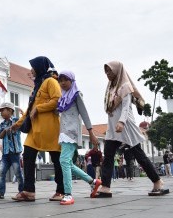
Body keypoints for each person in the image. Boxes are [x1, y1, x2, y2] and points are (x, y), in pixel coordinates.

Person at [95, 61, 169, 198]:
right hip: (113, 127)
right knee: (108, 155)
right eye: (106, 72)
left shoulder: (125, 87)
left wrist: (122, 122)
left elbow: (126, 107)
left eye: (110, 71)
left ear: (117, 71)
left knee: (139, 155)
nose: (107, 74)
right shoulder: (110, 88)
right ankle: (105, 187)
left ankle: (158, 182)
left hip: (126, 125)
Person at [11, 56, 63, 202]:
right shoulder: (38, 85)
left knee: (56, 160)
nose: (31, 70)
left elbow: (57, 100)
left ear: (40, 67)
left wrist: (39, 108)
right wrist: (18, 124)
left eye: (33, 67)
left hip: (50, 128)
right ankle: (28, 191)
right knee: (27, 156)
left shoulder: (51, 81)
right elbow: (29, 109)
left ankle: (61, 190)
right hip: (35, 130)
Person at [55, 71, 102, 205]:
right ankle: (93, 182)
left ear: (72, 81)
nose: (63, 82)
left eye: (66, 80)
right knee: (68, 163)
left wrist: (91, 132)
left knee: (63, 160)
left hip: (72, 132)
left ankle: (68, 194)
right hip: (63, 132)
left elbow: (84, 113)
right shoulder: (63, 97)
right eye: (61, 80)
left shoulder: (76, 95)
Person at [0, 102, 24, 199]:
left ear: (10, 110)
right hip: (5, 152)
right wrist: (5, 130)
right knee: (1, 172)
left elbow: (24, 126)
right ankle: (0, 192)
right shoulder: (2, 124)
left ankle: (22, 191)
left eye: (2, 110)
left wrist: (23, 116)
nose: (1, 113)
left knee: (17, 173)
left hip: (15, 152)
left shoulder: (16, 121)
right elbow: (0, 135)